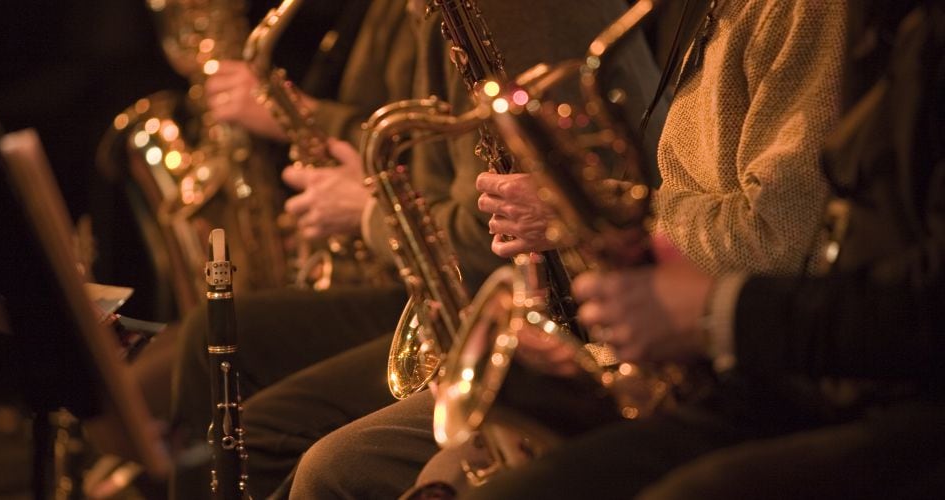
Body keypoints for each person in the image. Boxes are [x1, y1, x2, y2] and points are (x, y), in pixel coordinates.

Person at [456, 0, 945, 497]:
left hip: (801, 368)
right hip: (737, 354)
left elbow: (782, 238)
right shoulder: (716, 13)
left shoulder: (811, 11)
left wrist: (612, 224)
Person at [279, 0, 669, 497]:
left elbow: (481, 236)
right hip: (540, 309)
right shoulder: (434, 13)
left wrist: (366, 214)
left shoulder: (512, 13)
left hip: (606, 327)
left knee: (333, 467)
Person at [165, 1, 423, 498]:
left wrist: (298, 116)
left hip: (419, 288)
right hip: (393, 266)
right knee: (207, 340)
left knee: (259, 426)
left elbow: (421, 148)